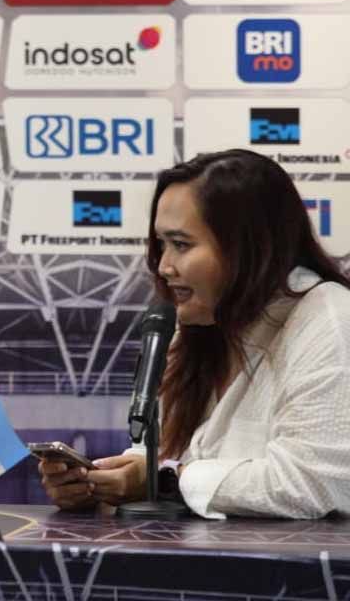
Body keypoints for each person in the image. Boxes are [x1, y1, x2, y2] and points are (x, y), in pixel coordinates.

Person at [40, 149, 350, 519]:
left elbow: (311, 483)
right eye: (161, 244)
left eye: (181, 245)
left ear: (249, 249)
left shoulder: (332, 320)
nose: (164, 265)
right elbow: (163, 457)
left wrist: (164, 481)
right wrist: (100, 484)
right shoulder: (196, 327)